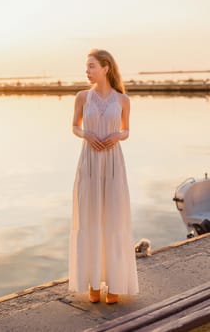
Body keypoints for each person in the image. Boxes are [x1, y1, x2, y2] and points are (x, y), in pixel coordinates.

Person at [68, 48, 139, 304]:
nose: (87, 71)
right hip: (88, 161)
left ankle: (116, 282)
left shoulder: (122, 100)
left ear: (106, 67)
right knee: (90, 218)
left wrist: (116, 136)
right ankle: (94, 282)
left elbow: (127, 130)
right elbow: (74, 126)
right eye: (86, 67)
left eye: (91, 66)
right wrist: (86, 134)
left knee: (114, 217)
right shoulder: (81, 97)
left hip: (112, 163)